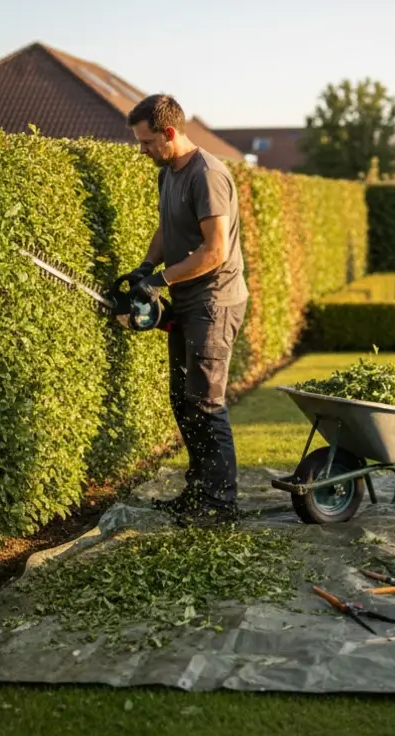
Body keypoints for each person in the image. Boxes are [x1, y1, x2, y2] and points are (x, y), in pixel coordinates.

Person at [119, 94, 249, 526]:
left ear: (170, 133)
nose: (143, 150)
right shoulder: (169, 173)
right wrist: (144, 267)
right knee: (183, 399)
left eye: (147, 142)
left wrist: (159, 283)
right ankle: (198, 491)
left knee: (207, 402)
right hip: (189, 300)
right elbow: (166, 225)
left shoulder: (207, 174)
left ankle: (221, 502)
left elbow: (214, 251)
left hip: (215, 302)